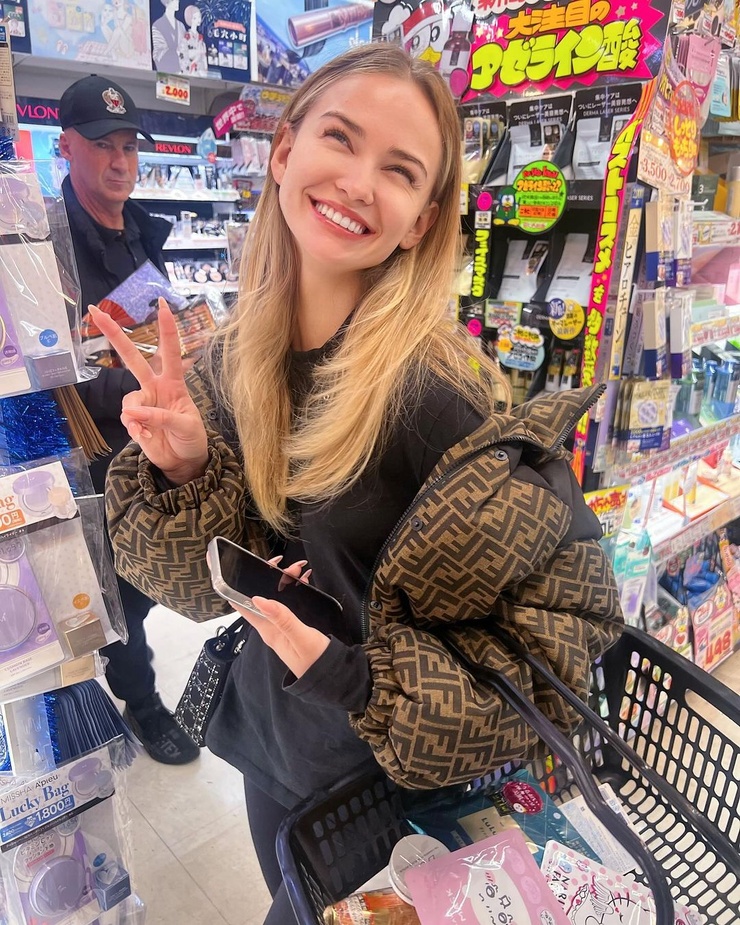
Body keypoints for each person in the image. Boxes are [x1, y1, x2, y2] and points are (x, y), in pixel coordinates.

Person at [100, 45, 623, 923]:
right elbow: (189, 587)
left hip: (390, 788)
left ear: (422, 220)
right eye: (339, 139)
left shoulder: (437, 396)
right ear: (284, 152)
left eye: (400, 170)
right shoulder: (239, 357)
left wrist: (361, 682)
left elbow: (565, 631)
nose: (357, 182)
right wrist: (184, 468)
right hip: (280, 741)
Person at [57, 75, 200, 766]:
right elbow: (56, 373)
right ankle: (141, 703)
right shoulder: (47, 244)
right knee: (113, 591)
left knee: (144, 582)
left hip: (153, 443)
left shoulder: (141, 228)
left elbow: (151, 322)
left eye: (128, 146)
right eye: (101, 146)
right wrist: (148, 377)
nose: (119, 161)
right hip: (94, 452)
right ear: (65, 147)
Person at [152, 0, 186, 74]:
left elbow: (185, 48)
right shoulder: (157, 25)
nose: (177, 2)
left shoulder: (181, 26)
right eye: (174, 0)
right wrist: (178, 53)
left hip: (182, 74)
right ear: (167, 2)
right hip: (164, 74)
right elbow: (158, 54)